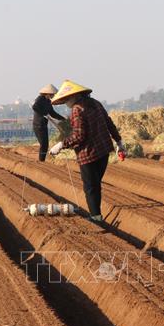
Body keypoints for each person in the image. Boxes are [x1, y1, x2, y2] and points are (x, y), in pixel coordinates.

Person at [48, 79, 125, 222]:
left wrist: (61, 145)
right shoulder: (95, 103)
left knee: (90, 187)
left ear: (74, 96)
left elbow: (78, 136)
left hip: (88, 155)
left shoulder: (77, 109)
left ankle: (96, 217)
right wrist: (119, 142)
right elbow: (109, 123)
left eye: (66, 99)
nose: (66, 102)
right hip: (103, 151)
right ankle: (97, 215)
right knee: (96, 185)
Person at [32, 84, 66, 162]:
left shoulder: (48, 101)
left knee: (45, 144)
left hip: (44, 124)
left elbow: (52, 113)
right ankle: (41, 161)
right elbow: (35, 107)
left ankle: (42, 160)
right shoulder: (40, 99)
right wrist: (44, 114)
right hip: (38, 125)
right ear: (48, 93)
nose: (53, 95)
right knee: (43, 144)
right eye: (52, 94)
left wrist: (63, 119)